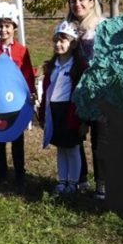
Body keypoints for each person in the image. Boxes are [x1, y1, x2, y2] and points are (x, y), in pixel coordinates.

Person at [0, 5, 35, 192]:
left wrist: (31, 93)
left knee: (16, 138)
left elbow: (28, 74)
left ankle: (20, 174)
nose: (3, 30)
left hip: (15, 101)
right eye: (0, 26)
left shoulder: (22, 51)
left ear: (14, 28)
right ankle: (0, 173)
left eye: (7, 26)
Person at [37, 21, 87, 195]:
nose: (58, 44)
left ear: (72, 44)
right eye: (56, 41)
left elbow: (83, 95)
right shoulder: (52, 67)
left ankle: (74, 183)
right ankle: (62, 180)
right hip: (55, 111)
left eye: (63, 41)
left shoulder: (79, 67)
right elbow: (46, 92)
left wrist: (83, 119)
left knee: (72, 148)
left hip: (70, 112)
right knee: (60, 147)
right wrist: (43, 114)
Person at [66, 0, 106, 198]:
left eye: (82, 0)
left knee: (100, 141)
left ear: (92, 2)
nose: (77, 4)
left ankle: (102, 184)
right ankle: (79, 179)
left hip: (99, 92)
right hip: (74, 91)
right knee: (75, 136)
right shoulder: (67, 28)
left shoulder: (102, 27)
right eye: (73, 1)